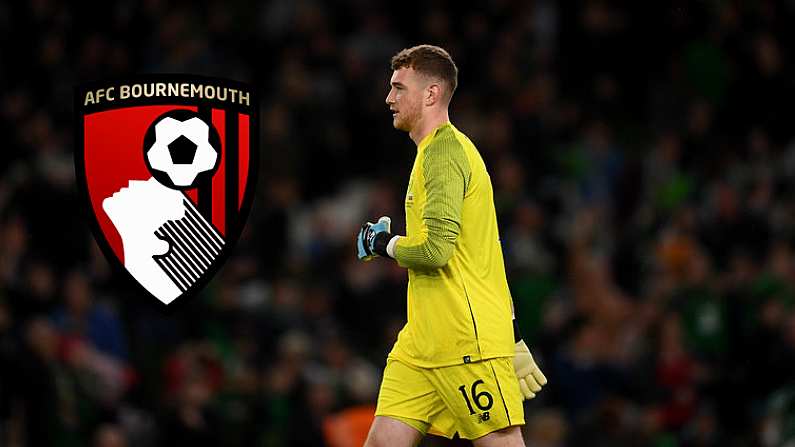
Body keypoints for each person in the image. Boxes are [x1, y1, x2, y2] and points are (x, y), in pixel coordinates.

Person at [356, 44, 547, 447]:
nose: (389, 98)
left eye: (398, 88)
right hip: (421, 344)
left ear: (430, 94)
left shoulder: (444, 153)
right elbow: (481, 256)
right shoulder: (431, 153)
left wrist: (383, 242)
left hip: (466, 345)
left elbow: (436, 252)